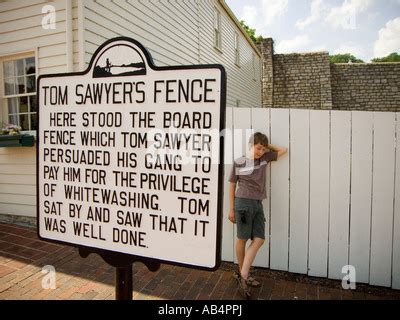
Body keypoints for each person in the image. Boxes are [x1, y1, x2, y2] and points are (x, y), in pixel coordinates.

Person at [228, 132, 288, 299]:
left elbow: (284, 150)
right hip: (243, 204)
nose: (260, 151)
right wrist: (231, 208)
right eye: (258, 147)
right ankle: (244, 275)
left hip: (257, 204)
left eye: (263, 149)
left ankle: (243, 274)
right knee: (242, 238)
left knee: (259, 239)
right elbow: (232, 185)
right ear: (250, 145)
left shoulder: (264, 159)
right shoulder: (239, 161)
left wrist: (268, 147)